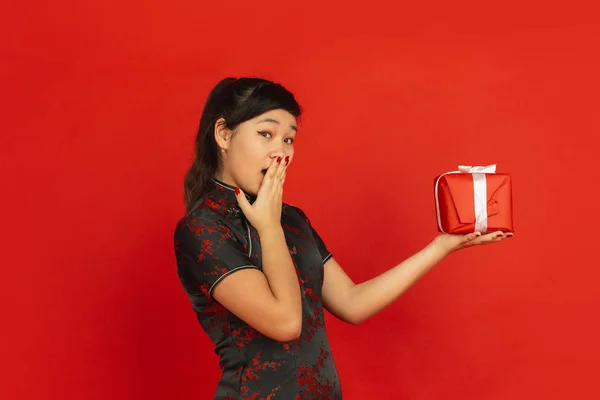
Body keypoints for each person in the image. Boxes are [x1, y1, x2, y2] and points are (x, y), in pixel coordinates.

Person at [173, 77, 512, 399]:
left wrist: (443, 245)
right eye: (266, 133)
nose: (282, 152)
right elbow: (286, 323)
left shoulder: (292, 219)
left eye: (288, 139)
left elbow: (352, 303)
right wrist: (269, 226)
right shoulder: (203, 229)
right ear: (223, 134)